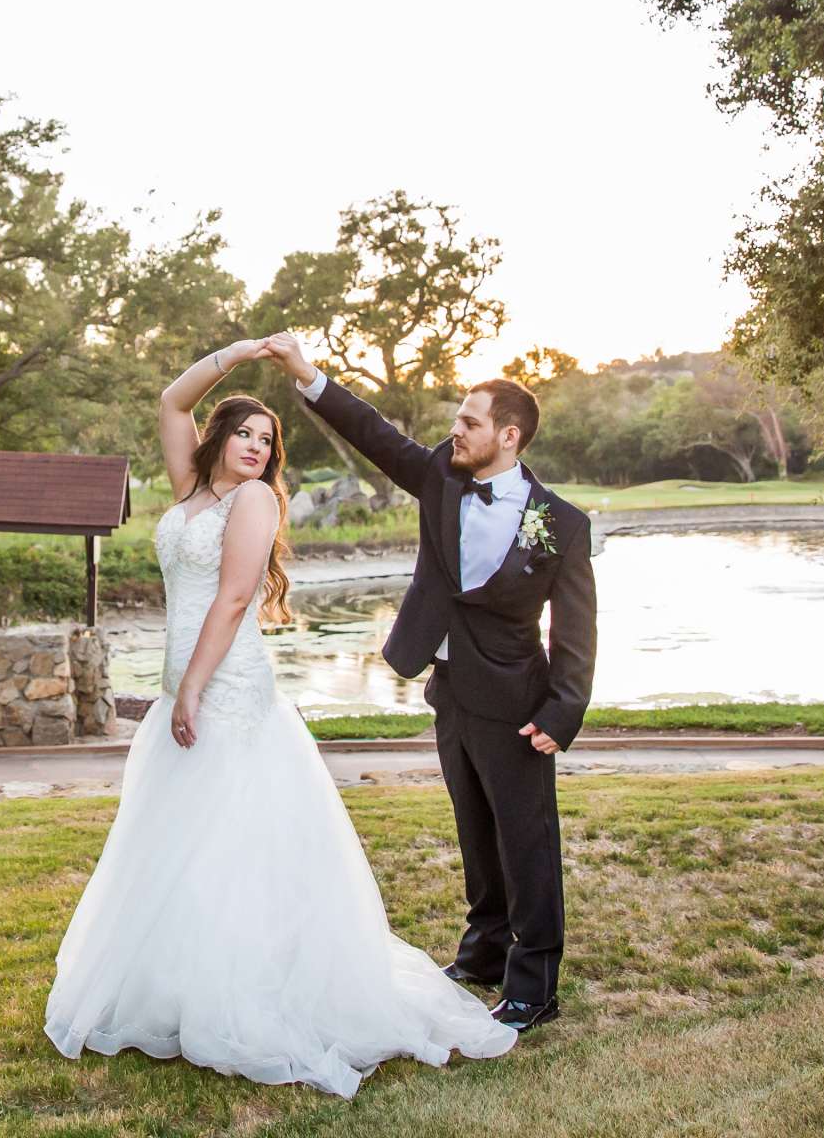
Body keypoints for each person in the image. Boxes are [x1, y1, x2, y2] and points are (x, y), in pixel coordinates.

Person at [43, 338, 516, 1098]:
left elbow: (233, 600)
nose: (259, 449)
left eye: (269, 441)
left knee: (236, 843)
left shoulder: (253, 501)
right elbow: (171, 401)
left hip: (225, 687)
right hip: (183, 688)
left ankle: (253, 990)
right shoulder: (190, 490)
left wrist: (192, 688)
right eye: (246, 435)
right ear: (218, 438)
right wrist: (237, 352)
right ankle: (177, 985)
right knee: (180, 843)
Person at [263, 331, 596, 1032]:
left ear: (508, 436)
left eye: (470, 421)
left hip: (518, 705)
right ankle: (482, 954)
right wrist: (305, 375)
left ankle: (534, 985)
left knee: (526, 845)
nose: (455, 428)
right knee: (476, 835)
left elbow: (575, 630)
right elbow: (371, 431)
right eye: (458, 416)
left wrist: (560, 714)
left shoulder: (559, 524)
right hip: (450, 691)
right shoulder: (441, 477)